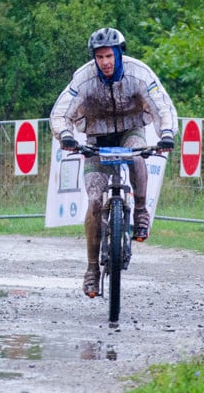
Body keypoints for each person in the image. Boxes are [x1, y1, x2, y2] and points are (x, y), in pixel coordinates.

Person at [50, 27, 179, 298]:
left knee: (136, 155)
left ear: (119, 54)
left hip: (130, 130)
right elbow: (60, 112)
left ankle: (141, 212)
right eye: (100, 57)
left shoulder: (139, 73)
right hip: (96, 137)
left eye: (109, 56)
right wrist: (65, 135)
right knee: (95, 200)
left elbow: (163, 107)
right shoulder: (84, 78)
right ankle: (92, 271)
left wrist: (166, 134)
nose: (105, 62)